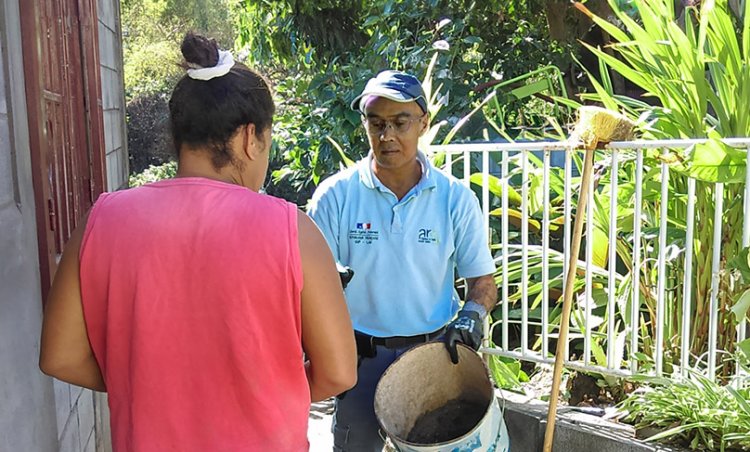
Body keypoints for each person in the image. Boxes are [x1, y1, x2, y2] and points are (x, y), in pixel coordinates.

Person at [39, 32, 357, 452]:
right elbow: (338, 372)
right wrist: (263, 395)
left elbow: (59, 356)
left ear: (177, 138)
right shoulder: (291, 231)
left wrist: (145, 387)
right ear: (250, 138)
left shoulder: (100, 222)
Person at [307, 70, 497, 451]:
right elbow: (310, 287)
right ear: (365, 125)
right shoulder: (335, 197)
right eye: (376, 124)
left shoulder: (454, 199)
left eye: (400, 122)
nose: (387, 135)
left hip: (434, 359)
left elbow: (482, 283)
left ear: (423, 123)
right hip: (360, 360)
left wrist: (471, 319)